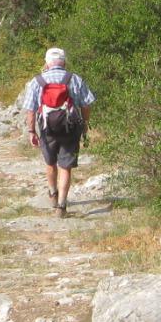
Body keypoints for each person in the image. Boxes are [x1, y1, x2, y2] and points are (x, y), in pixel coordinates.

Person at [22, 47, 95, 217]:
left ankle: (53, 193)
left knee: (50, 163)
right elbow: (86, 104)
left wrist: (31, 131)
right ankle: (61, 205)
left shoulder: (37, 81)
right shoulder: (74, 79)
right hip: (70, 128)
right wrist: (85, 124)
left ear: (47, 63)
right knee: (65, 166)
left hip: (47, 129)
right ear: (64, 62)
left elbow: (31, 110)